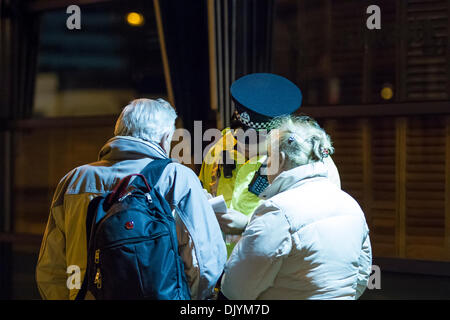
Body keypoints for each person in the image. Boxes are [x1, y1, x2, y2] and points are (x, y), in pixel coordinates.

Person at [36, 98, 227, 300]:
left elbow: (51, 268)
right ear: (165, 138)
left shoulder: (73, 181)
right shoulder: (176, 178)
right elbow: (205, 263)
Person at [220, 115, 372, 300]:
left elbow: (235, 290)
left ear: (281, 159)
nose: (266, 165)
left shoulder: (277, 211)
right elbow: (362, 277)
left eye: (268, 157)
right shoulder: (351, 205)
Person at [199, 73, 341, 255]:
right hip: (218, 265)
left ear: (280, 134)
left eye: (257, 138)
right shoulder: (221, 144)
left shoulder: (307, 161)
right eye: (240, 132)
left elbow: (314, 224)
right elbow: (203, 189)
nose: (244, 141)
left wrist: (248, 225)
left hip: (270, 269)